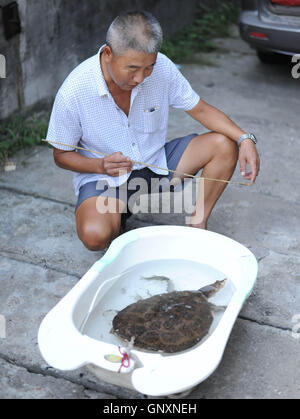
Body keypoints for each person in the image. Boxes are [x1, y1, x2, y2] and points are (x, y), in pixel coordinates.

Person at [47, 10, 260, 252]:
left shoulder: (163, 69)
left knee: (224, 144)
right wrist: (100, 166)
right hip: (105, 178)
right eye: (133, 68)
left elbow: (200, 109)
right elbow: (60, 155)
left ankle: (197, 225)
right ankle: (118, 215)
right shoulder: (74, 92)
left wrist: (245, 138)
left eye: (149, 67)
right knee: (95, 236)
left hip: (157, 163)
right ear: (108, 54)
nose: (140, 77)